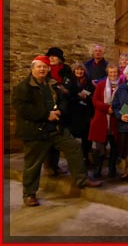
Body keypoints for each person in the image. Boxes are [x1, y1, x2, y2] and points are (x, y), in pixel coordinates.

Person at [12, 55, 102, 207]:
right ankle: (29, 194)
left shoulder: (53, 84)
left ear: (48, 69)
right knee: (33, 164)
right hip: (36, 131)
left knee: (73, 147)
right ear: (32, 68)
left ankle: (81, 179)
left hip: (56, 128)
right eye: (39, 66)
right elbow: (23, 108)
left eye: (45, 67)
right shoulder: (23, 87)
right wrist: (46, 115)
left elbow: (64, 100)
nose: (42, 69)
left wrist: (60, 111)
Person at [89, 62, 121, 178]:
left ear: (118, 73)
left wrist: (118, 112)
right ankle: (98, 169)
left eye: (115, 72)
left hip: (115, 121)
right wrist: (108, 108)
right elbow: (95, 100)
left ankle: (112, 169)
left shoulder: (122, 85)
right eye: (111, 72)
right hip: (101, 120)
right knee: (99, 149)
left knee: (114, 148)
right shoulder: (101, 85)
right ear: (108, 72)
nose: (113, 74)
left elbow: (127, 102)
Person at [44, 47, 73, 176]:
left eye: (54, 56)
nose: (52, 58)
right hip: (48, 109)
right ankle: (48, 165)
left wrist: (66, 90)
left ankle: (55, 165)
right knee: (48, 139)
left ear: (60, 58)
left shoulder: (66, 71)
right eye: (50, 56)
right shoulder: (44, 70)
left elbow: (70, 87)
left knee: (59, 137)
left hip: (63, 108)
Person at [67, 62, 95, 166]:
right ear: (74, 71)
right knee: (73, 137)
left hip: (86, 113)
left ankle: (85, 157)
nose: (79, 71)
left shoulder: (88, 83)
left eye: (81, 69)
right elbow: (68, 96)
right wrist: (77, 97)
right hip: (73, 113)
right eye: (77, 69)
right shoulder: (70, 82)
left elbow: (92, 96)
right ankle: (74, 159)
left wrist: (86, 98)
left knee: (86, 137)